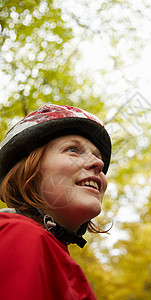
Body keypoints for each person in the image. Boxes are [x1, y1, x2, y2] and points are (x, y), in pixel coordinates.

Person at [0, 104, 111, 300]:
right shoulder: (19, 234)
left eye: (97, 157)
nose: (99, 164)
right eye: (73, 150)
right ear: (29, 171)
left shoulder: (57, 258)